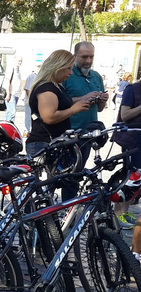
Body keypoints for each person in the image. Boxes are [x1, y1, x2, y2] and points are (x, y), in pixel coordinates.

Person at [26, 49, 92, 196]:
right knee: (43, 191)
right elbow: (49, 117)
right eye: (68, 68)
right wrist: (74, 110)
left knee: (55, 186)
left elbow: (60, 103)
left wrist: (81, 100)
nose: (71, 73)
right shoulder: (46, 88)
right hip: (44, 143)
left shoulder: (55, 86)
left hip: (54, 143)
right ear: (58, 66)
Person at [63, 41, 108, 200]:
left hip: (88, 135)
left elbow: (101, 108)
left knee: (77, 175)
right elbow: (60, 102)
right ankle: (58, 210)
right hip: (68, 134)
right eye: (84, 57)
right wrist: (82, 98)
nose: (88, 61)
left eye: (91, 56)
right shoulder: (67, 75)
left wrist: (102, 99)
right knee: (64, 176)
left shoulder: (96, 76)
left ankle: (69, 208)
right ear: (75, 56)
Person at [113, 74, 141, 228]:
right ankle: (118, 213)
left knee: (137, 179)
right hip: (133, 139)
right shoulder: (133, 89)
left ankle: (126, 210)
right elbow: (125, 115)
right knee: (129, 175)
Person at [5, 56, 23, 123]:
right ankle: (7, 126)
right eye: (19, 61)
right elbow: (8, 82)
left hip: (16, 94)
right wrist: (8, 94)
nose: (20, 62)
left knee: (11, 112)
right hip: (11, 93)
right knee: (12, 112)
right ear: (15, 60)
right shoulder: (11, 69)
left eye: (21, 61)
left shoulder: (18, 70)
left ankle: (7, 125)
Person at [23, 63, 39, 136]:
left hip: (37, 101)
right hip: (30, 101)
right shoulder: (31, 76)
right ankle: (26, 130)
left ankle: (34, 129)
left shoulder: (41, 76)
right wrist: (31, 100)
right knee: (28, 116)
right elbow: (27, 89)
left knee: (34, 116)